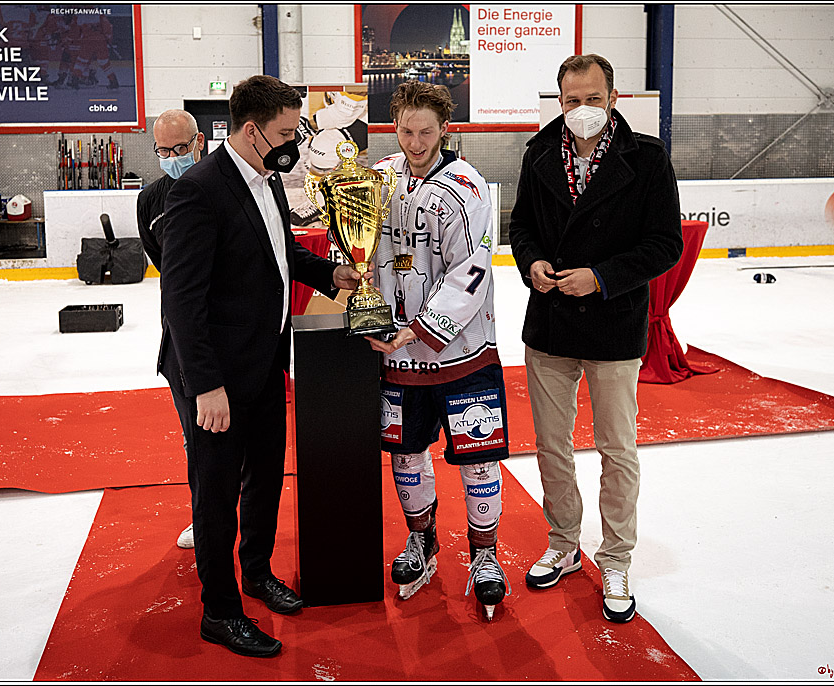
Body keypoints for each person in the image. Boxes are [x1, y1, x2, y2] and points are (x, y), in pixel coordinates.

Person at [158, 75, 364, 657]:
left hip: (266, 364)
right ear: (251, 130)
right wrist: (207, 388)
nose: (290, 141)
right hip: (218, 377)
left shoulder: (266, 178)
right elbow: (182, 301)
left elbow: (282, 252)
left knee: (266, 477)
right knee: (217, 492)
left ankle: (256, 574)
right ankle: (219, 611)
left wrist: (329, 274)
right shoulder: (199, 190)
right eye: (282, 132)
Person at [508, 54, 683, 623]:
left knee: (616, 449)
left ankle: (615, 557)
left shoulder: (648, 158)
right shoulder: (538, 152)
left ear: (614, 96)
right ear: (558, 100)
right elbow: (522, 227)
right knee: (552, 445)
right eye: (570, 100)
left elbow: (665, 244)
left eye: (591, 98)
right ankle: (562, 542)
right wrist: (531, 262)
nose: (581, 110)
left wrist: (602, 277)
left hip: (613, 321)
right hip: (551, 322)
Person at [365, 80, 511, 620]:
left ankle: (485, 556)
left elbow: (471, 271)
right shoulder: (377, 179)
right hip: (398, 356)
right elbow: (363, 252)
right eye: (406, 130)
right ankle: (422, 542)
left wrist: (422, 327)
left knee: (479, 458)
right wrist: (376, 320)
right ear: (395, 126)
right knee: (406, 453)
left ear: (444, 129)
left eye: (426, 131)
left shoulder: (466, 187)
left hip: (461, 355)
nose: (415, 140)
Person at [136, 108, 205, 550]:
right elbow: (168, 270)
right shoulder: (149, 201)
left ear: (199, 142)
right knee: (196, 438)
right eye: (164, 151)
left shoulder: (231, 185)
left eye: (180, 149)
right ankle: (206, 514)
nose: (173, 157)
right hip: (182, 340)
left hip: (236, 337)